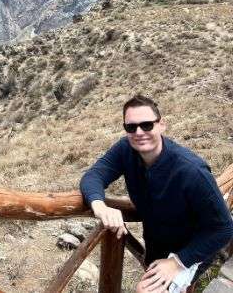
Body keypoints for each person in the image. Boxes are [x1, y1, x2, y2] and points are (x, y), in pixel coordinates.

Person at [80, 95, 233, 293]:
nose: (139, 132)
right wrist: (100, 206)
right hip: (157, 242)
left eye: (147, 125)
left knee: (146, 290)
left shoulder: (191, 171)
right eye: (131, 127)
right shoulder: (126, 149)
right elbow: (94, 174)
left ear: (161, 125)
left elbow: (223, 229)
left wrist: (177, 262)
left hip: (194, 247)